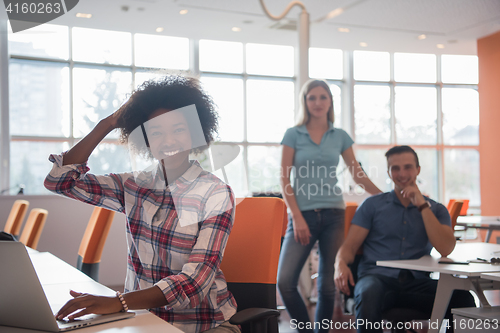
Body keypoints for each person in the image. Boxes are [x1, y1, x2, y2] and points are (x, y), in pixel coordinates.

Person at [44, 75, 240, 333]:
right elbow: (60, 181)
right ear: (146, 140)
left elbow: (193, 284)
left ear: (195, 133)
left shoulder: (215, 193)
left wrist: (119, 302)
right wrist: (109, 123)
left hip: (200, 325)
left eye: (178, 129)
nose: (167, 140)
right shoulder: (134, 186)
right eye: (156, 132)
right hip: (141, 321)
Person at [334, 145, 475, 333]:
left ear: (418, 170)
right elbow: (350, 246)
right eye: (395, 168)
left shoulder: (436, 209)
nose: (402, 173)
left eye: (408, 167)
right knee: (367, 292)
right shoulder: (372, 206)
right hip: (377, 278)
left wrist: (422, 206)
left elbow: (445, 249)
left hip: (417, 282)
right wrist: (340, 263)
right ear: (388, 172)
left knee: (462, 298)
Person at [278, 79, 382, 333]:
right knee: (285, 281)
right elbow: (284, 179)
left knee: (327, 286)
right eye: (311, 97)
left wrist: (385, 196)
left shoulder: (341, 136)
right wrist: (297, 217)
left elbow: (357, 175)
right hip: (302, 216)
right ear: (305, 102)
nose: (317, 102)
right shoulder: (293, 134)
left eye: (322, 97)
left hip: (334, 214)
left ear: (330, 102)